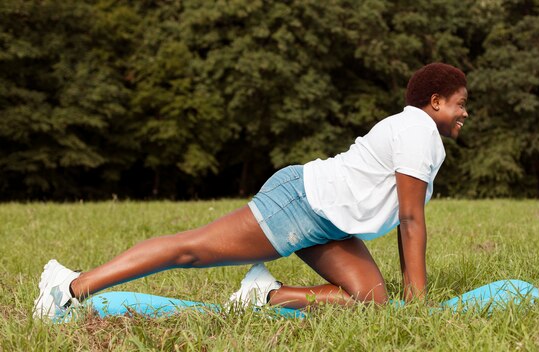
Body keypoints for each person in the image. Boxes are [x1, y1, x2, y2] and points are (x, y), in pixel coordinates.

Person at [34, 62, 469, 319]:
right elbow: (411, 221)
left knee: (372, 303)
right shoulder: (417, 130)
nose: (464, 113)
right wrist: (419, 304)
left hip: (329, 223)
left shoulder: (415, 133)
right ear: (434, 101)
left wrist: (413, 300)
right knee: (189, 250)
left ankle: (263, 295)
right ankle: (69, 287)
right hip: (300, 205)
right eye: (459, 103)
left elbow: (403, 218)